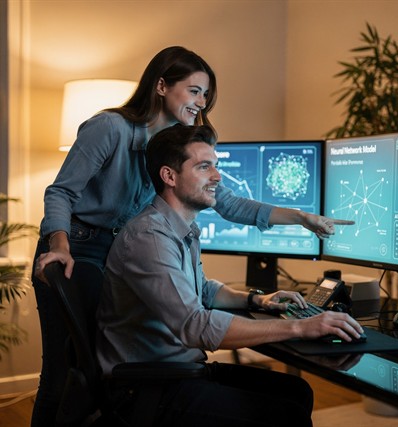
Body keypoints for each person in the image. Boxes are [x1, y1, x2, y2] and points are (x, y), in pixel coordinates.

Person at [32, 46, 349, 426]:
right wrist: (59, 245)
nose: (201, 103)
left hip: (120, 245)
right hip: (77, 243)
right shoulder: (110, 129)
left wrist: (301, 218)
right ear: (161, 85)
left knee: (105, 350)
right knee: (62, 373)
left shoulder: (173, 158)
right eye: (195, 91)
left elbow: (228, 203)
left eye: (206, 95)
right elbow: (61, 193)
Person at [96, 124, 364, 426]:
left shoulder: (178, 228)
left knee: (296, 391)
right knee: (286, 415)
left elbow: (203, 291)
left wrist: (258, 300)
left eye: (216, 166)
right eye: (204, 167)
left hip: (178, 370)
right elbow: (195, 326)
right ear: (169, 176)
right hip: (147, 386)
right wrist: (301, 328)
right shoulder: (150, 238)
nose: (217, 177)